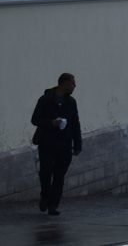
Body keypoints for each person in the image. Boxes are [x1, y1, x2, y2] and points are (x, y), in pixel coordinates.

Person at [30, 72, 81, 216]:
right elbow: (35, 119)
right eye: (72, 83)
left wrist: (78, 145)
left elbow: (75, 124)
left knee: (59, 176)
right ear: (63, 84)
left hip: (65, 144)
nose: (74, 86)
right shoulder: (45, 99)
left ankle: (53, 205)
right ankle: (45, 196)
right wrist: (51, 123)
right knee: (45, 172)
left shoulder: (71, 102)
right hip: (47, 143)